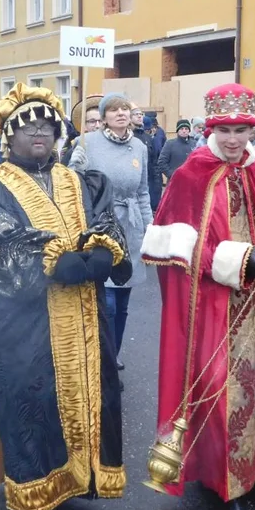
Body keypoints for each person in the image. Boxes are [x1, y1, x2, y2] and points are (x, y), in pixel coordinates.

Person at [0, 83, 130, 510]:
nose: (38, 132)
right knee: (31, 405)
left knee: (94, 395)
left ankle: (82, 479)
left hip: (87, 315)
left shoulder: (84, 180)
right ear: (7, 135)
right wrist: (52, 259)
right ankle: (38, 502)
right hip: (24, 321)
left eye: (47, 125)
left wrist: (102, 250)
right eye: (28, 125)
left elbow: (107, 221)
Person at [142, 83, 255, 510]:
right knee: (221, 393)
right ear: (210, 128)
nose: (235, 139)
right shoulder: (190, 175)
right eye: (226, 130)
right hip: (213, 307)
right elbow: (175, 254)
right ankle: (226, 491)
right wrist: (236, 262)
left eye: (242, 129)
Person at [69, 94, 152, 382]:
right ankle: (100, 360)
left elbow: (142, 191)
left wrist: (149, 227)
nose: (120, 113)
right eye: (113, 109)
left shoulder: (139, 146)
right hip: (100, 225)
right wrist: (74, 166)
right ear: (103, 117)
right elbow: (71, 184)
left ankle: (113, 355)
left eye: (124, 109)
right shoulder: (87, 142)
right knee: (108, 301)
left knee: (124, 302)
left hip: (131, 227)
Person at [60, 93, 103, 165]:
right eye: (92, 121)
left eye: (101, 121)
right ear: (84, 125)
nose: (97, 125)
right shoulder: (73, 150)